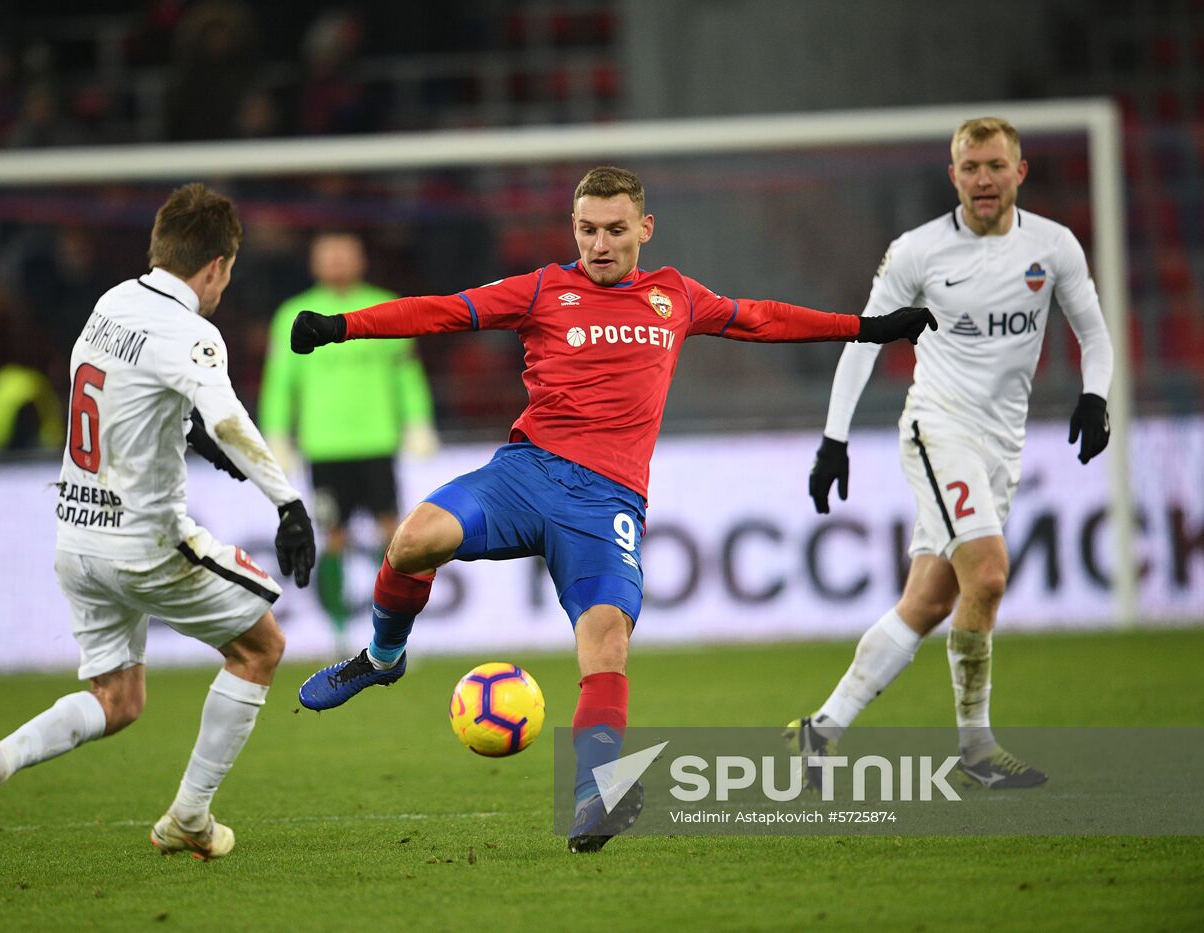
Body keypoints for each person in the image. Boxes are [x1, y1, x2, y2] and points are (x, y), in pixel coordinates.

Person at [289, 166, 935, 853]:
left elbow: (763, 318)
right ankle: (383, 657)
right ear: (574, 229)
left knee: (607, 641)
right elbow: (444, 310)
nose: (600, 244)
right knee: (414, 537)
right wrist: (340, 326)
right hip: (527, 474)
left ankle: (595, 796)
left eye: (615, 230)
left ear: (644, 229)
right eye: (588, 230)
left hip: (606, 502)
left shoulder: (676, 297)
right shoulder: (542, 289)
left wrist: (866, 328)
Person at [0, 183, 316, 859]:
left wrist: (186, 438)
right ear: (217, 267)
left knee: (118, 697)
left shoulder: (113, 302)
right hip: (143, 542)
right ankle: (190, 815)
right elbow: (227, 417)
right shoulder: (193, 330)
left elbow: (130, 397)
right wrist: (286, 502)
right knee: (261, 648)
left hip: (76, 538)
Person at [791, 117, 1114, 791]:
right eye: (971, 167)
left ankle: (821, 729)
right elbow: (865, 338)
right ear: (953, 175)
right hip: (937, 428)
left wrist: (1096, 395)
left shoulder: (1053, 248)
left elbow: (1094, 331)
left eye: (996, 165)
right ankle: (976, 748)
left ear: (1019, 172)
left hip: (1003, 442)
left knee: (931, 600)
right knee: (989, 575)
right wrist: (833, 438)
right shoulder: (918, 251)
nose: (984, 179)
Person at [259, 230, 438, 657]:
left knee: (393, 538)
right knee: (334, 538)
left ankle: (390, 637)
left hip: (377, 441)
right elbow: (280, 382)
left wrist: (418, 420)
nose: (338, 262)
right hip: (325, 446)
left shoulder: (386, 305)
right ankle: (340, 633)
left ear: (361, 259)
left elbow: (406, 372)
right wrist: (276, 432)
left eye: (346, 254)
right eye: (329, 255)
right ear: (314, 262)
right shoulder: (291, 315)